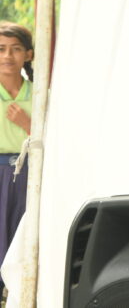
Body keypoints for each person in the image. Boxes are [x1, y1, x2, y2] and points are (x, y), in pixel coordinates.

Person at [0, 22, 32, 290]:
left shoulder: (40, 94)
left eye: (16, 49)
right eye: (1, 49)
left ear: (28, 54)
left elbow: (55, 139)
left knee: (23, 237)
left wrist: (27, 124)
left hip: (29, 175)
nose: (7, 56)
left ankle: (19, 296)